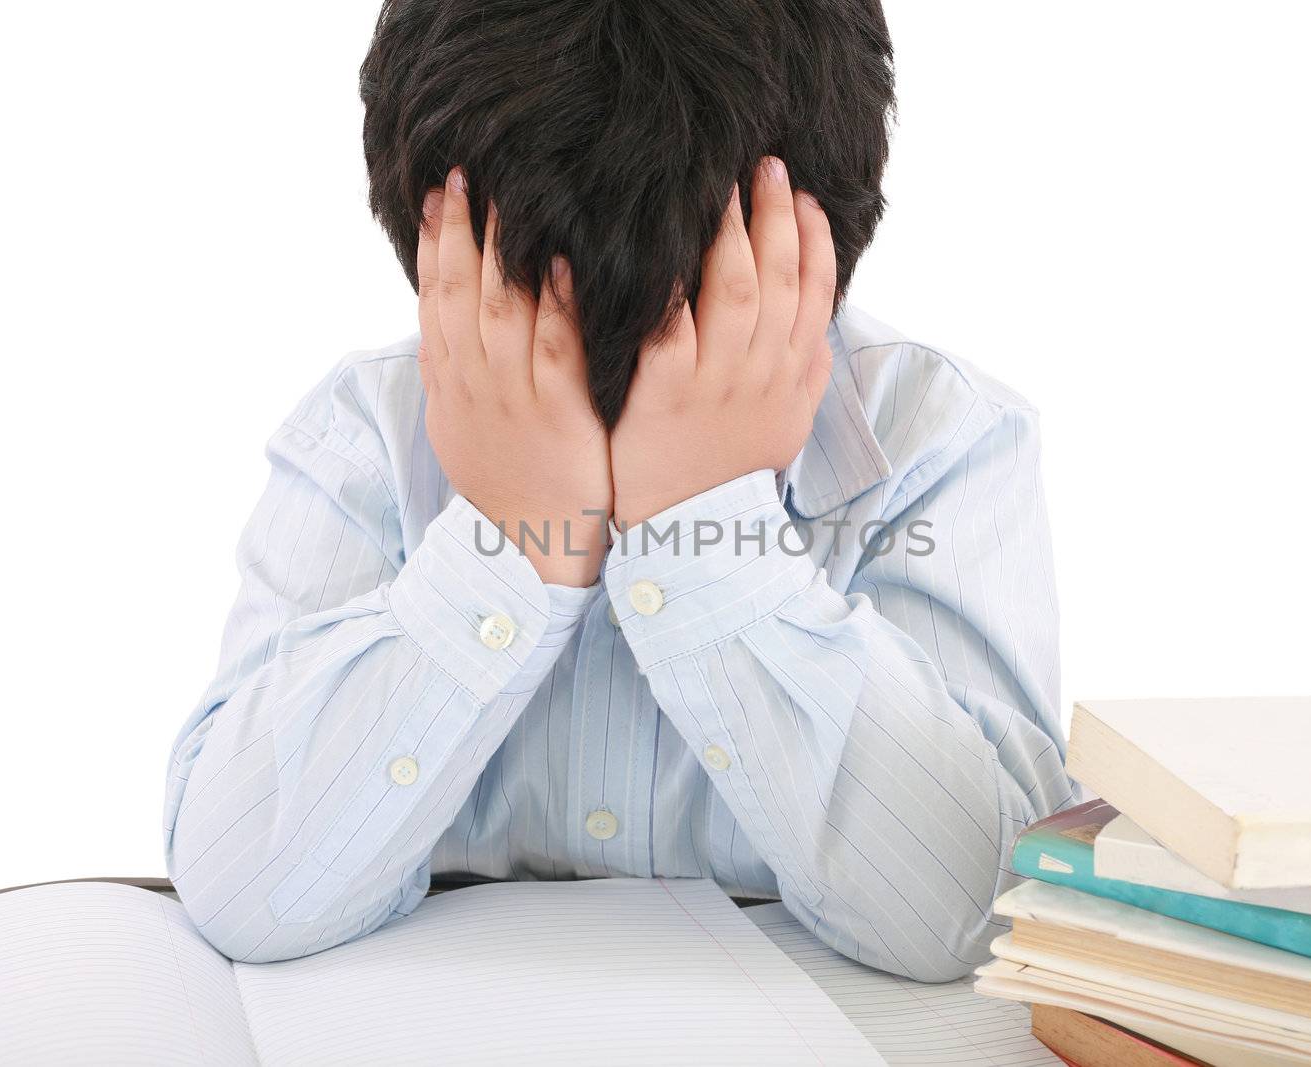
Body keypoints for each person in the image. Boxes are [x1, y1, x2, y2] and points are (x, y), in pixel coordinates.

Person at [162, 0, 1072, 981]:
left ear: (802, 257)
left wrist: (705, 520)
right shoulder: (366, 432)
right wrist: (513, 544)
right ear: (443, 257)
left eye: (676, 335)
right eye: (543, 330)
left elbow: (987, 915)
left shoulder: (938, 437)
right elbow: (239, 883)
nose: (608, 394)